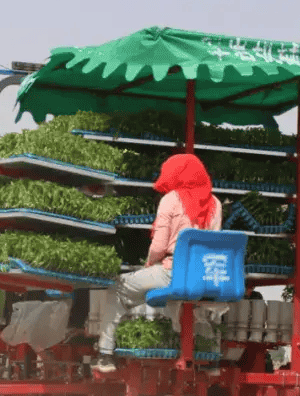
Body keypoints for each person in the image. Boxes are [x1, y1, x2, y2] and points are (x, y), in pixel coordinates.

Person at [93, 153, 222, 373]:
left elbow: (159, 246)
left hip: (173, 273)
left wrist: (149, 264)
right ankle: (210, 360)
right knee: (183, 301)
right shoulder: (215, 203)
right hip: (204, 277)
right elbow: (214, 240)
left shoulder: (171, 199)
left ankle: (105, 355)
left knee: (117, 288)